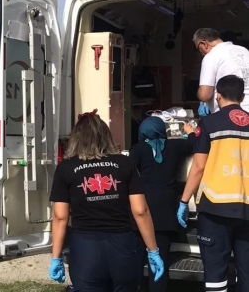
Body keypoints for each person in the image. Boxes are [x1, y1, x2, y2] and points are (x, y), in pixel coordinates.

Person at [47, 110, 164, 291]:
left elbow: (60, 217)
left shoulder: (66, 168)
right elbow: (141, 210)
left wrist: (56, 257)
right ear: (106, 136)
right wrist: (153, 250)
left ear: (76, 138)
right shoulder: (125, 164)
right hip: (123, 245)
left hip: (86, 248)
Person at [178, 74, 249, 292]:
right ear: (243, 95)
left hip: (215, 208)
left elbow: (198, 167)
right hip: (246, 209)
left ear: (217, 96)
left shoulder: (209, 123)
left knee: (216, 275)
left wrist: (184, 201)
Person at [128, 116, 196, 292]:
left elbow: (127, 171)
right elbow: (194, 144)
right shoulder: (175, 146)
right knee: (159, 265)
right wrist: (190, 132)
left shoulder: (138, 149)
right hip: (165, 214)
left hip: (142, 213)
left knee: (135, 263)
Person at [193, 27, 249, 116]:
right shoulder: (244, 51)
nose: (200, 53)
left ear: (203, 44)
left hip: (231, 116)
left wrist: (201, 99)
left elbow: (205, 95)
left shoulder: (211, 56)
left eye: (198, 49)